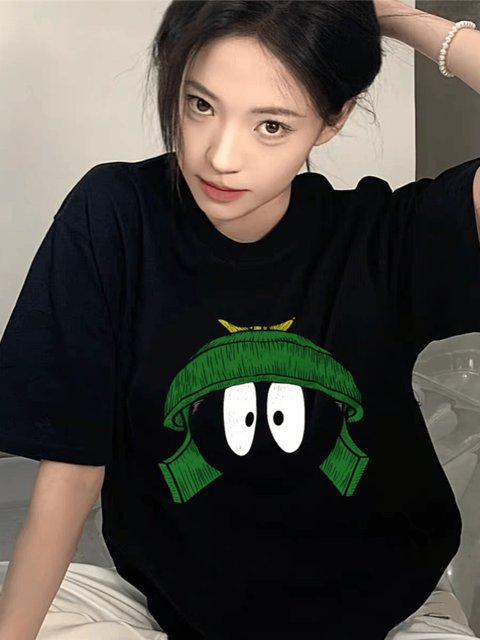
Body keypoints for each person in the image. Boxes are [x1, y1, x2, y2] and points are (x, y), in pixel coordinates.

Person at [0, 1, 479, 639]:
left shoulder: (385, 240)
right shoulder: (116, 217)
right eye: (200, 105)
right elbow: (72, 472)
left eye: (271, 125)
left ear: (334, 118)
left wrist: (391, 17)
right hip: (174, 614)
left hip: (386, 616)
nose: (221, 156)